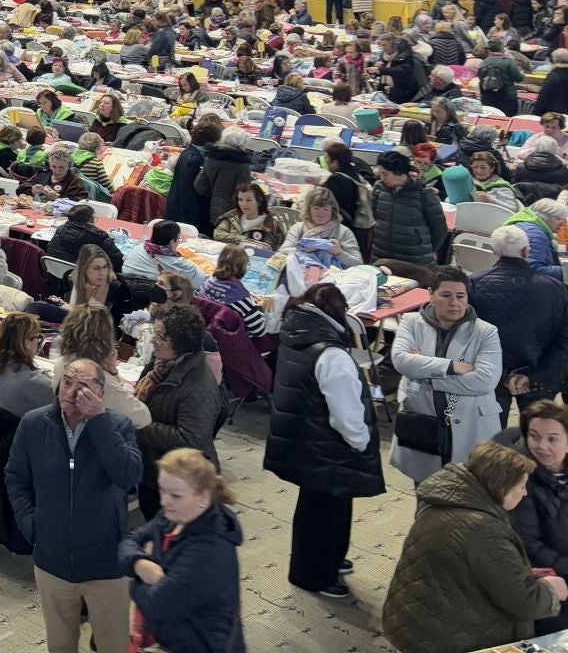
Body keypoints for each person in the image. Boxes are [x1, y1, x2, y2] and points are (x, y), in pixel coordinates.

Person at [5, 358, 142, 653]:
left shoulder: (117, 425)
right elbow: (15, 477)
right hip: (52, 562)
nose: (72, 391)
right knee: (60, 645)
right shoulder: (33, 423)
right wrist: (32, 526)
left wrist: (99, 421)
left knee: (114, 645)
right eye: (67, 382)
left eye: (83, 386)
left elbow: (129, 475)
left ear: (100, 393)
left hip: (106, 563)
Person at [383, 439, 566, 653]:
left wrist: (518, 571)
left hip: (413, 617)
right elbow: (523, 603)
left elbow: (466, 563)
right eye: (521, 486)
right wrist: (551, 590)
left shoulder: (446, 499)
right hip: (450, 638)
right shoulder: (485, 531)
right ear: (502, 486)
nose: (525, 493)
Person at [263, 285, 383, 599]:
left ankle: (326, 560)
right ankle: (315, 575)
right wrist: (361, 442)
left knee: (318, 509)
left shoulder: (296, 335)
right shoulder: (332, 355)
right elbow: (346, 414)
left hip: (305, 438)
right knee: (325, 515)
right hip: (328, 447)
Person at [120, 447, 246, 653]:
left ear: (204, 497)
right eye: (162, 490)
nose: (164, 501)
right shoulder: (172, 516)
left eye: (175, 495)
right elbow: (130, 540)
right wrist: (140, 563)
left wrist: (135, 582)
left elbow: (160, 606)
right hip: (171, 636)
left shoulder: (210, 550)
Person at [392, 266, 504, 484]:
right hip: (423, 422)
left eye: (460, 296)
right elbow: (401, 360)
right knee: (425, 492)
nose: (455, 302)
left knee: (467, 496)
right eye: (446, 295)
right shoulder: (411, 322)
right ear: (431, 295)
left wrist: (425, 376)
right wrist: (453, 366)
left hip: (471, 425)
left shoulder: (486, 332)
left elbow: (485, 380)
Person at [470, 224, 568, 423]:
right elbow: (564, 341)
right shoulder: (555, 289)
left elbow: (467, 337)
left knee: (492, 440)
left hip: (491, 377)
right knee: (536, 441)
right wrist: (533, 375)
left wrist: (504, 374)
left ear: (494, 251)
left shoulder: (472, 284)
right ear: (526, 251)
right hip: (540, 377)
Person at [135, 303, 223, 516]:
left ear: (182, 341)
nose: (153, 341)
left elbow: (191, 439)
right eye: (154, 333)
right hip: (157, 472)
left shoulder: (197, 386)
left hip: (183, 483)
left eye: (161, 336)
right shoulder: (161, 364)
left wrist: (139, 425)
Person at [508, 397, 568, 633]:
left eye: (552, 439)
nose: (541, 445)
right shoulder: (519, 479)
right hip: (548, 578)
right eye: (534, 436)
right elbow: (528, 543)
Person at [371, 150, 449, 273]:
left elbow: (439, 228)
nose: (382, 178)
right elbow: (375, 215)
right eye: (380, 173)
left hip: (415, 259)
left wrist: (425, 247)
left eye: (385, 174)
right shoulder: (379, 189)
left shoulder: (424, 193)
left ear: (398, 172)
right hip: (382, 255)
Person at [0, 313, 52, 418]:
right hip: (12, 431)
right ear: (27, 342)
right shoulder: (36, 382)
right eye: (38, 337)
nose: (38, 341)